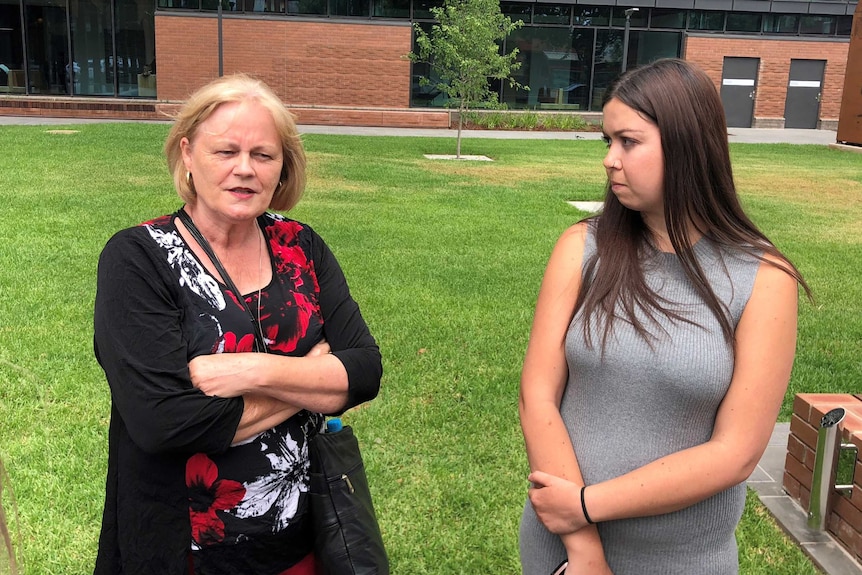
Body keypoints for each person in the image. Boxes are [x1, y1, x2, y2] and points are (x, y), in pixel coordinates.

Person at [518, 58, 809, 575]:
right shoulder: (582, 248)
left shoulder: (764, 277)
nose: (610, 160)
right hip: (563, 549)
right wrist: (583, 545)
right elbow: (537, 395)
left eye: (628, 142)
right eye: (607, 141)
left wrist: (588, 502)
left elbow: (736, 452)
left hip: (683, 560)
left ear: (686, 145)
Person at [93, 74, 382, 575]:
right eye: (225, 152)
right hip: (185, 550)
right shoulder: (138, 258)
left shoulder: (301, 247)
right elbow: (165, 423)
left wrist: (251, 370)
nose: (244, 170)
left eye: (263, 155)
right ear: (187, 154)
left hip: (305, 538)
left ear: (282, 167)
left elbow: (363, 370)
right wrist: (311, 378)